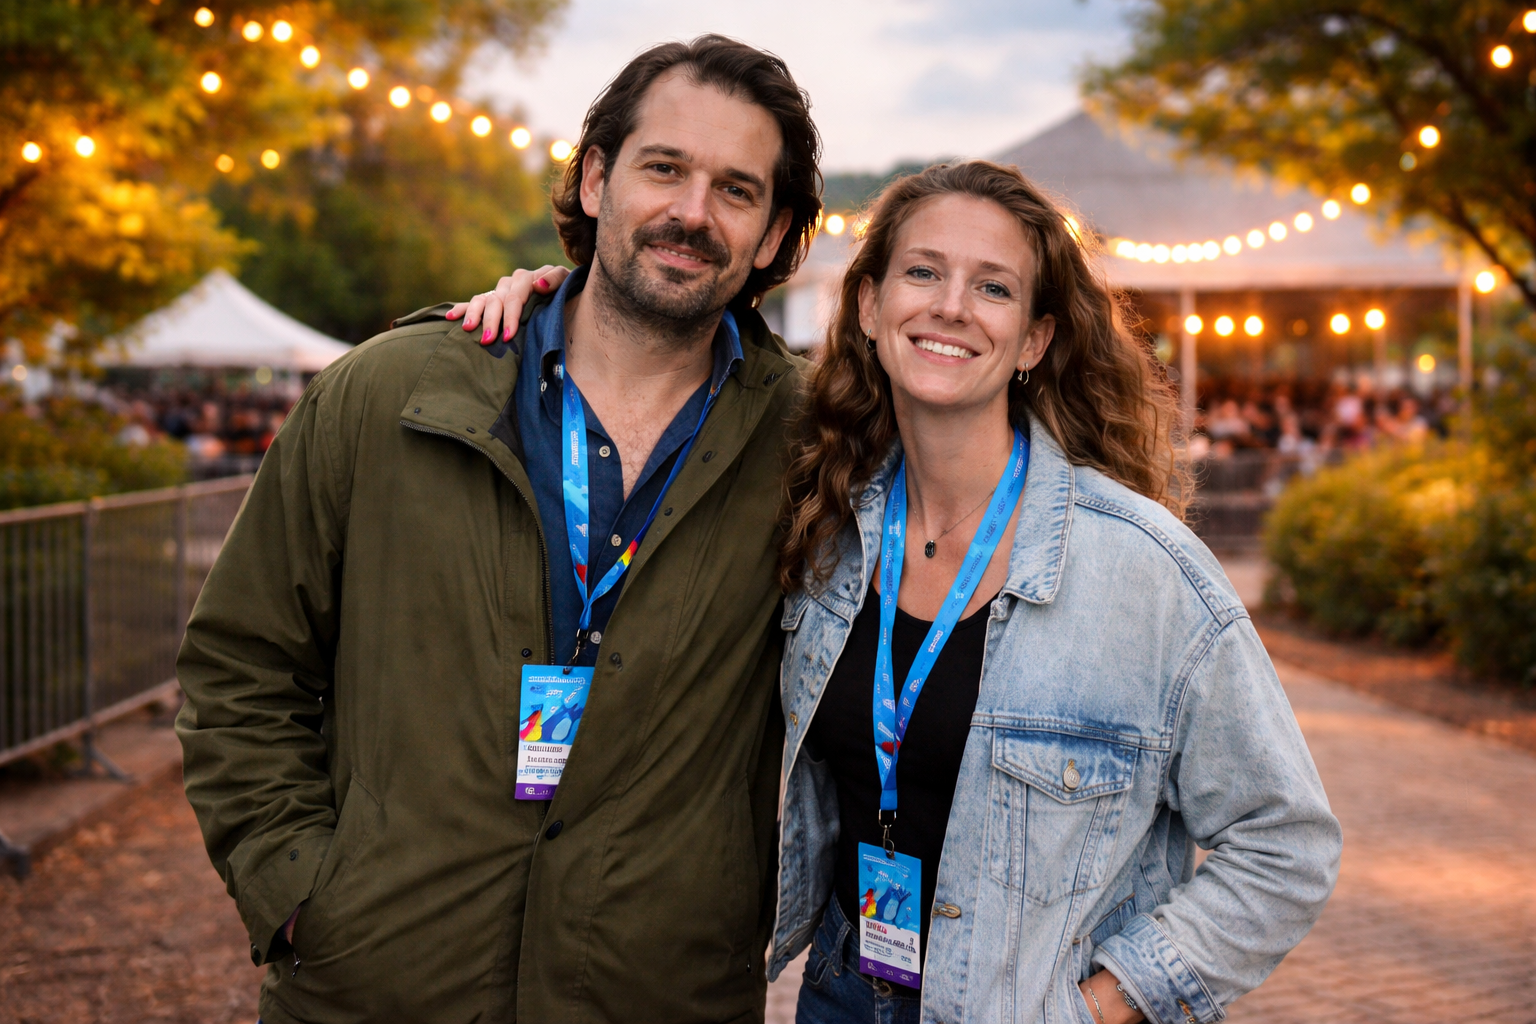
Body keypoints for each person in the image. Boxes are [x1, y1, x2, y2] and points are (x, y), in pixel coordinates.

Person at [175, 36, 821, 1023]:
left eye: (737, 189)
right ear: (596, 179)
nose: (692, 213)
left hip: (657, 995)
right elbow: (239, 665)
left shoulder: (817, 449)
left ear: (774, 233)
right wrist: (302, 888)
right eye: (663, 168)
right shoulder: (387, 394)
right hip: (380, 987)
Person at [763, 161, 1340, 1023]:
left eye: (992, 286)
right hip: (845, 992)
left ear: (1033, 340)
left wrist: (1103, 1006)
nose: (951, 305)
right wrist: (554, 298)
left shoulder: (1143, 570)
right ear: (871, 308)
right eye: (923, 271)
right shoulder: (823, 528)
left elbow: (1286, 843)